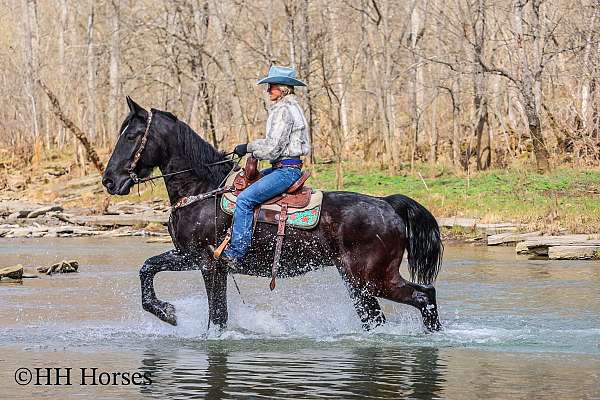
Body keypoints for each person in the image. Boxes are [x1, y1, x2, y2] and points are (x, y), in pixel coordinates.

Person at [221, 65, 311, 269]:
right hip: (285, 167)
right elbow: (273, 142)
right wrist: (249, 147)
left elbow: (273, 149)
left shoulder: (283, 111)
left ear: (282, 88)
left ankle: (236, 253)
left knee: (244, 199)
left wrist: (252, 151)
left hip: (286, 171)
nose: (268, 89)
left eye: (271, 86)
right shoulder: (290, 107)